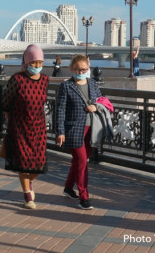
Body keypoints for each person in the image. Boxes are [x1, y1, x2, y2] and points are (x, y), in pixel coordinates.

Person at [55, 54, 104, 210]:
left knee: (79, 161)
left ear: (88, 68)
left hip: (91, 128)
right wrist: (60, 132)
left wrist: (96, 107)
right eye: (77, 69)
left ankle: (68, 187)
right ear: (72, 69)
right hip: (73, 130)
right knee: (82, 161)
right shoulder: (66, 86)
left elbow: (101, 101)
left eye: (83, 69)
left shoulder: (93, 83)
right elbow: (60, 110)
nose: (80, 72)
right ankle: (84, 197)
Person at [3, 44, 49, 210]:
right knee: (23, 162)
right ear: (26, 62)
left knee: (38, 163)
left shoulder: (45, 80)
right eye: (33, 62)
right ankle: (27, 195)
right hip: (20, 127)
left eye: (40, 62)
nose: (37, 66)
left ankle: (29, 182)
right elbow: (6, 103)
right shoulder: (17, 79)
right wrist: (11, 122)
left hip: (39, 127)